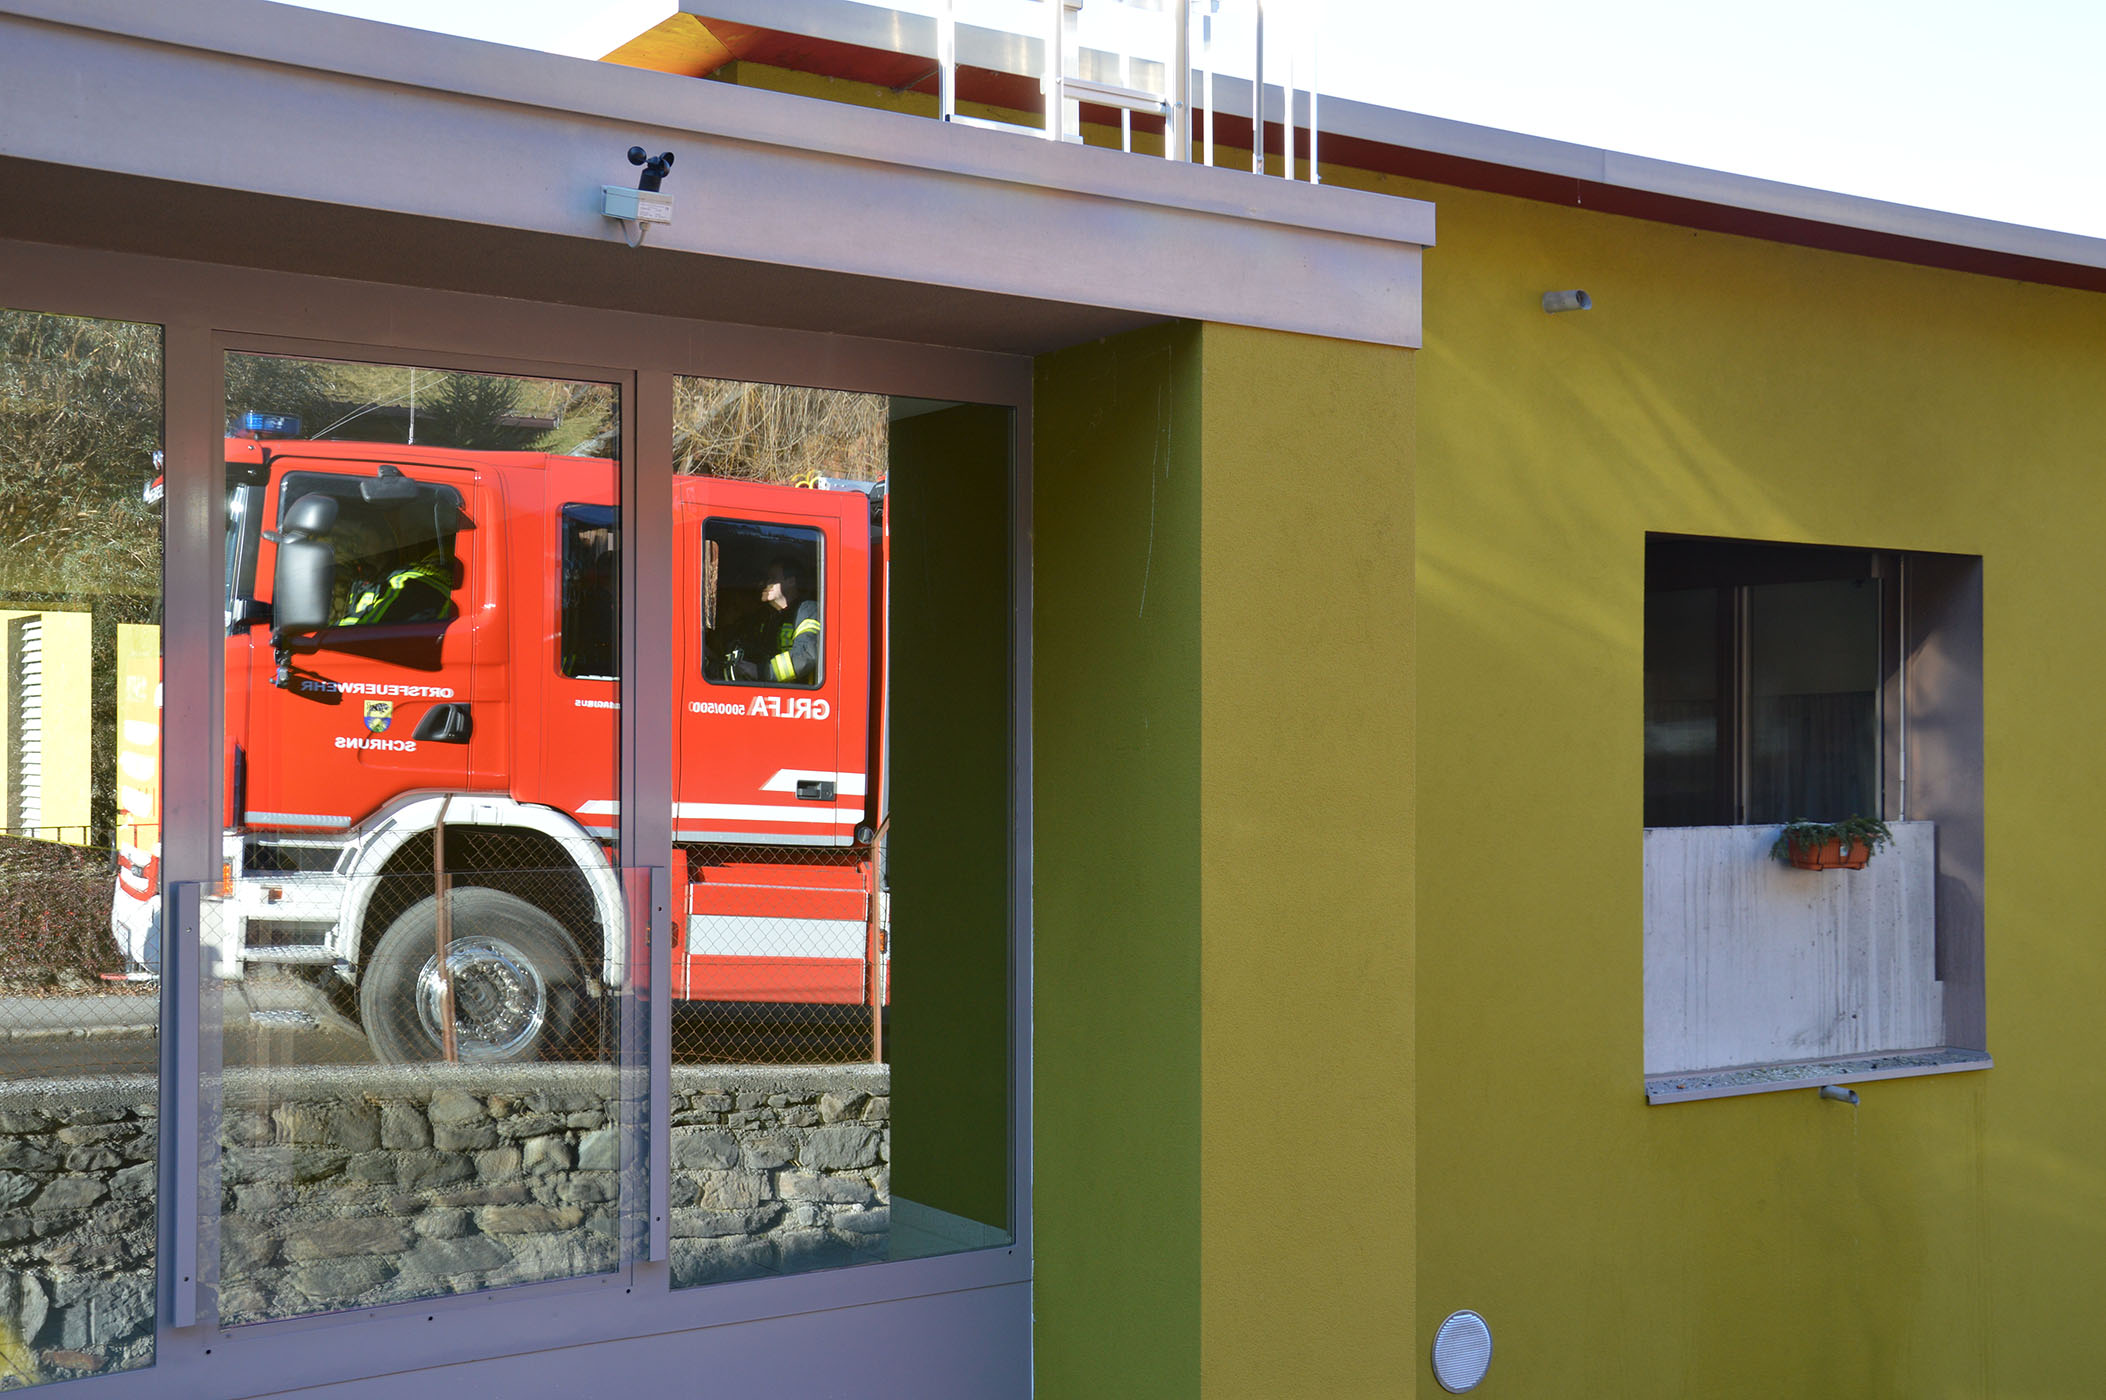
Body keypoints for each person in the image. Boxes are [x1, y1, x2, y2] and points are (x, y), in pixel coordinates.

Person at [725, 557, 819, 683]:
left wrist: (763, 671)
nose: (766, 583)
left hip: (798, 692)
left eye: (772, 578)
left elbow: (806, 654)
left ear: (791, 581)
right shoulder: (767, 617)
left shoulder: (809, 611)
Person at [341, 543, 454, 626]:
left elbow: (358, 633)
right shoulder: (389, 579)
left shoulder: (415, 582)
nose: (356, 547)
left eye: (363, 535)